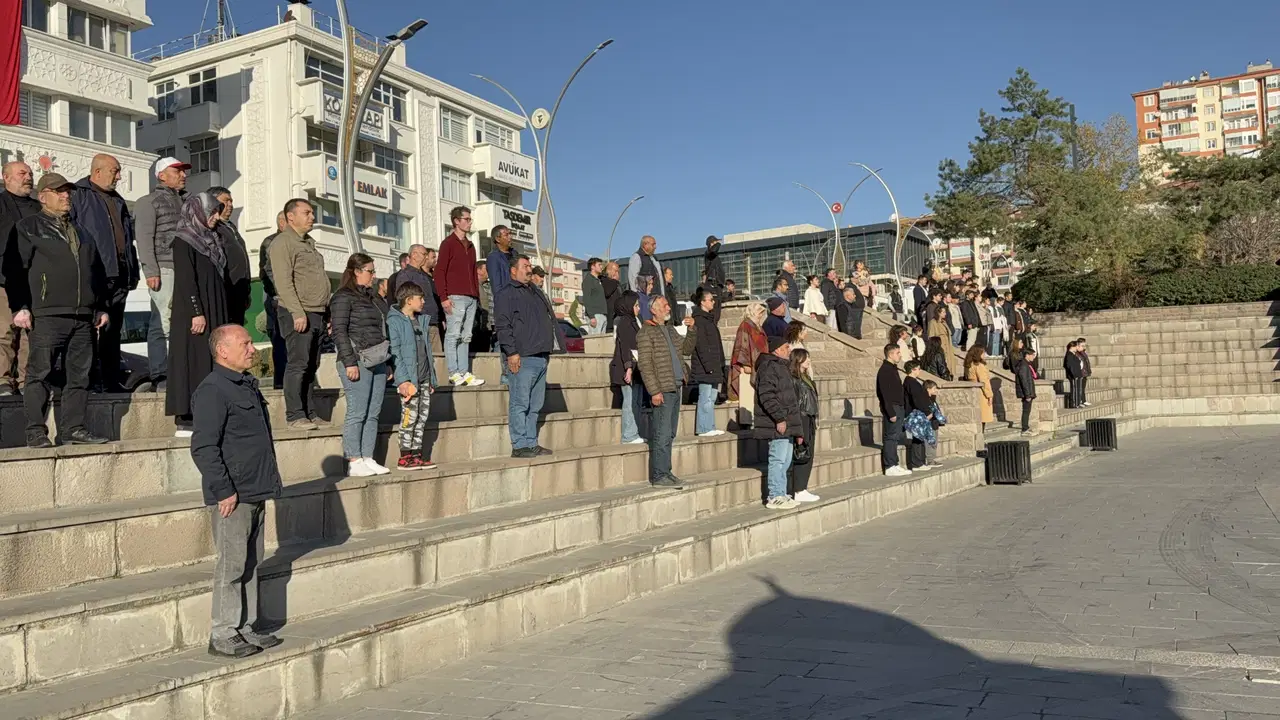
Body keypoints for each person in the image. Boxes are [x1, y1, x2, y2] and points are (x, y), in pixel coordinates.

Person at [190, 324, 283, 659]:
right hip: (234, 495)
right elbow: (203, 448)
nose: (252, 348)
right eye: (244, 343)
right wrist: (224, 490)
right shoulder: (213, 389)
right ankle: (223, 632)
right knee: (231, 566)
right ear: (223, 351)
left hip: (256, 489)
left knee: (250, 564)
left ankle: (245, 626)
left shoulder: (246, 386)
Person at [12, 173, 111, 447]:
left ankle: (73, 430)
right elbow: (15, 270)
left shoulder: (82, 231)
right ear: (43, 196)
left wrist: (101, 306)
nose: (66, 196)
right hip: (47, 313)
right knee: (39, 374)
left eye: (68, 192)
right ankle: (35, 432)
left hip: (83, 315)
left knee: (79, 376)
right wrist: (21, 306)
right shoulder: (28, 227)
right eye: (59, 192)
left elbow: (96, 271)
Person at [167, 192, 233, 437]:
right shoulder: (184, 240)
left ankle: (209, 413)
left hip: (213, 306)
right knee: (193, 360)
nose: (216, 217)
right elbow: (186, 279)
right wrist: (197, 312)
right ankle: (187, 417)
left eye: (217, 212)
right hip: (194, 311)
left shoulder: (212, 239)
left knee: (210, 359)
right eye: (212, 212)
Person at [71, 154, 139, 392]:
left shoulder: (118, 200)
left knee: (113, 331)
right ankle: (88, 382)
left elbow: (128, 239)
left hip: (119, 275)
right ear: (97, 172)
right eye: (115, 171)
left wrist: (133, 271)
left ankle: (111, 381)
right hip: (94, 274)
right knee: (89, 331)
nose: (119, 176)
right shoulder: (79, 195)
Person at [268, 199, 331, 429]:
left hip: (317, 312)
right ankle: (295, 415)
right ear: (290, 216)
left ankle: (310, 412)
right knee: (298, 363)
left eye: (312, 213)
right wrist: (297, 312)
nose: (312, 217)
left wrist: (327, 312)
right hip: (298, 311)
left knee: (311, 365)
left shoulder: (309, 243)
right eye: (307, 212)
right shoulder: (283, 243)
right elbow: (283, 282)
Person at [330, 253, 390, 477]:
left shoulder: (373, 298)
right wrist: (349, 361)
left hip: (378, 359)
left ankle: (367, 457)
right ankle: (354, 459)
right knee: (357, 411)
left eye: (374, 271)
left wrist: (388, 363)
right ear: (356, 271)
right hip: (356, 359)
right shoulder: (343, 296)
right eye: (370, 271)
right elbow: (339, 331)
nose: (373, 276)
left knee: (373, 412)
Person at [134, 156, 189, 385]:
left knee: (181, 323)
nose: (183, 175)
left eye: (182, 171)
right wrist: (151, 271)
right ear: (162, 175)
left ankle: (178, 370)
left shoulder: (186, 201)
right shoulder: (149, 201)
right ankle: (161, 373)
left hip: (185, 268)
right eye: (177, 171)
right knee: (162, 322)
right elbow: (144, 238)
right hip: (164, 268)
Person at [495, 255, 557, 458]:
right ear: (513, 270)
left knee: (535, 404)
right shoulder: (506, 294)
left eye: (530, 266)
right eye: (525, 266)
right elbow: (503, 326)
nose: (529, 269)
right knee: (520, 403)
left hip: (540, 355)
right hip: (522, 356)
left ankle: (531, 442)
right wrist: (511, 352)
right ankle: (519, 444)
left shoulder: (535, 291)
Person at [636, 295, 696, 488]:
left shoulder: (670, 330)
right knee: (662, 433)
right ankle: (659, 474)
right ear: (653, 309)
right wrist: (654, 391)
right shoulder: (646, 332)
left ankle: (666, 471)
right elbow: (645, 364)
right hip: (662, 389)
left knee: (669, 433)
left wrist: (692, 330)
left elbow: (686, 349)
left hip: (676, 386)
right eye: (664, 305)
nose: (668, 307)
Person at [386, 281, 439, 469]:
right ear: (409, 300)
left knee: (422, 417)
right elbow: (395, 352)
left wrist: (431, 378)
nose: (423, 301)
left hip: (424, 378)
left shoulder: (421, 320)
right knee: (409, 416)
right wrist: (403, 380)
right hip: (409, 380)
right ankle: (405, 456)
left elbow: (426, 352)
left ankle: (417, 453)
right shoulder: (394, 321)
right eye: (420, 298)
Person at [0, 160, 39, 396]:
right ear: (6, 177)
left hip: (34, 279)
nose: (28, 177)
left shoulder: (38, 207)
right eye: (22, 173)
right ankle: (3, 380)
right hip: (3, 278)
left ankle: (28, 381)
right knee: (5, 332)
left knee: (31, 334)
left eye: (31, 173)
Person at [754, 334, 802, 509]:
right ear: (777, 350)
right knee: (778, 459)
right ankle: (774, 495)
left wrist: (797, 430)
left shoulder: (783, 367)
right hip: (777, 423)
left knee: (786, 460)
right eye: (785, 348)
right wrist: (779, 418)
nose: (789, 350)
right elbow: (767, 395)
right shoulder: (769, 367)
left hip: (788, 423)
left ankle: (781, 493)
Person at [438, 206, 483, 387]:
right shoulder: (448, 243)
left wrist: (476, 297)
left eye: (470, 219)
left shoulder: (471, 246)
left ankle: (464, 372)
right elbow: (440, 271)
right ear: (457, 221)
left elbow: (473, 272)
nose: (469, 222)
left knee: (466, 336)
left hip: (471, 296)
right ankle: (453, 372)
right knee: (453, 334)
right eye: (467, 219)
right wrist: (444, 297)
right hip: (454, 296)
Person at [208, 187, 251, 326]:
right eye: (226, 201)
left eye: (231, 201)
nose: (230, 205)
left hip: (240, 290)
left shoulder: (231, 227)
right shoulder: (213, 228)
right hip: (226, 290)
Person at [688, 288, 725, 437]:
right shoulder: (699, 320)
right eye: (710, 300)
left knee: (712, 397)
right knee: (705, 397)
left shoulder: (709, 319)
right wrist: (709, 366)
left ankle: (709, 426)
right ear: (702, 302)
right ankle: (703, 428)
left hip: (714, 365)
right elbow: (701, 345)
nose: (713, 302)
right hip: (705, 367)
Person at [609, 291, 645, 445]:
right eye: (636, 305)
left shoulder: (634, 321)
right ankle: (628, 434)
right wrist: (628, 368)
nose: (638, 308)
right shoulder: (624, 322)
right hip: (627, 368)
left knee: (636, 401)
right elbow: (625, 347)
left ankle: (634, 432)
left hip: (636, 367)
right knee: (629, 402)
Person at [258, 212, 288, 389]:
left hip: (293, 298)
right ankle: (280, 381)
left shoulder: (301, 241)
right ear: (283, 222)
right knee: (280, 338)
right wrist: (277, 295)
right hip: (277, 297)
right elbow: (267, 272)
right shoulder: (271, 242)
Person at [787, 348, 820, 503]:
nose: (809, 361)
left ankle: (803, 487)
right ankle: (798, 489)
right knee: (802, 453)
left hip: (810, 418)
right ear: (798, 359)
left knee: (809, 453)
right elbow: (795, 404)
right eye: (806, 358)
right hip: (802, 418)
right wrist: (799, 430)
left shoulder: (806, 377)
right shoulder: (793, 379)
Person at [729, 302, 768, 427]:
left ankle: (755, 419)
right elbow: (741, 345)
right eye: (759, 312)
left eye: (762, 313)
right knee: (747, 393)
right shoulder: (745, 325)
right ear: (752, 312)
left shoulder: (758, 327)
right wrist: (745, 363)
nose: (761, 315)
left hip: (759, 365)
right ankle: (747, 421)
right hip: (748, 367)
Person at [876, 344, 909, 477]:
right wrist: (890, 412)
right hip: (893, 407)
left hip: (899, 406)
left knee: (895, 437)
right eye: (897, 353)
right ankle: (890, 466)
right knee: (890, 437)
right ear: (890, 354)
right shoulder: (885, 370)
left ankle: (895, 463)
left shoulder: (892, 369)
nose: (899, 355)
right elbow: (884, 393)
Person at [902, 360, 932, 471]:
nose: (920, 370)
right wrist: (926, 413)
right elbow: (917, 399)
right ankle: (916, 463)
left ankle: (919, 462)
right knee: (917, 439)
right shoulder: (911, 382)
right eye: (918, 368)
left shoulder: (912, 382)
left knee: (919, 438)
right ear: (913, 369)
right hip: (915, 414)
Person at [964, 344, 995, 428]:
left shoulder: (969, 364)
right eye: (983, 353)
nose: (984, 355)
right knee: (982, 418)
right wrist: (990, 396)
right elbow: (984, 381)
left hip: (974, 392)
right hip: (981, 394)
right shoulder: (979, 366)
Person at [628, 235, 665, 302]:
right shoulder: (637, 257)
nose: (655, 247)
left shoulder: (654, 259)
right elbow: (633, 280)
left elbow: (661, 280)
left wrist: (663, 296)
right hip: (645, 300)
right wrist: (637, 300)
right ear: (645, 245)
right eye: (653, 244)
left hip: (657, 300)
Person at [485, 224, 516, 299]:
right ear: (498, 239)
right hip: (506, 299)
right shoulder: (493, 257)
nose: (510, 237)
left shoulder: (515, 254)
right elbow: (496, 285)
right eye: (506, 235)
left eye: (510, 234)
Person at [580, 257, 609, 335]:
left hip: (602, 314)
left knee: (602, 342)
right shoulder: (588, 280)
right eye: (599, 265)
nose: (601, 267)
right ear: (592, 266)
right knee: (595, 342)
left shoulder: (598, 280)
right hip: (595, 315)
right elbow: (586, 299)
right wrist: (591, 316)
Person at [1014, 348, 1039, 436]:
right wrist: (1027, 395)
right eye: (1032, 355)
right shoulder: (1023, 365)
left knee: (1027, 410)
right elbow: (1024, 380)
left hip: (1028, 392)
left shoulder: (1025, 364)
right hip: (1026, 393)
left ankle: (1026, 427)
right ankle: (1024, 429)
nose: (1033, 357)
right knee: (1026, 411)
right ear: (1027, 355)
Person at [703, 235, 725, 322]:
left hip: (717, 286)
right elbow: (713, 250)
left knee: (717, 314)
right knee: (714, 313)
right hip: (713, 285)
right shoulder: (709, 254)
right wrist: (717, 243)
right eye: (715, 243)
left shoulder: (714, 257)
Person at [601, 261, 622, 330]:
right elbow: (607, 292)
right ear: (608, 270)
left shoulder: (617, 284)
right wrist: (614, 281)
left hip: (618, 318)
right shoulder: (604, 280)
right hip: (609, 319)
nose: (617, 273)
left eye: (618, 271)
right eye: (615, 271)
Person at [1063, 340, 1084, 410]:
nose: (1077, 348)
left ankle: (1077, 403)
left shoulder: (1073, 354)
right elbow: (1069, 365)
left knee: (1078, 389)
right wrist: (1074, 374)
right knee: (1075, 390)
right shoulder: (1069, 355)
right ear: (1072, 347)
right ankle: (1074, 403)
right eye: (1076, 346)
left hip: (1077, 375)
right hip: (1074, 376)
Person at [1077, 338, 1092, 407]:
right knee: (1080, 388)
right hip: (1081, 373)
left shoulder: (1083, 353)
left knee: (1083, 387)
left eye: (1084, 346)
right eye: (1082, 346)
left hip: (1085, 372)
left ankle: (1083, 400)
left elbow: (1086, 363)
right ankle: (1080, 401)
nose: (1084, 347)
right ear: (1078, 345)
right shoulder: (1077, 353)